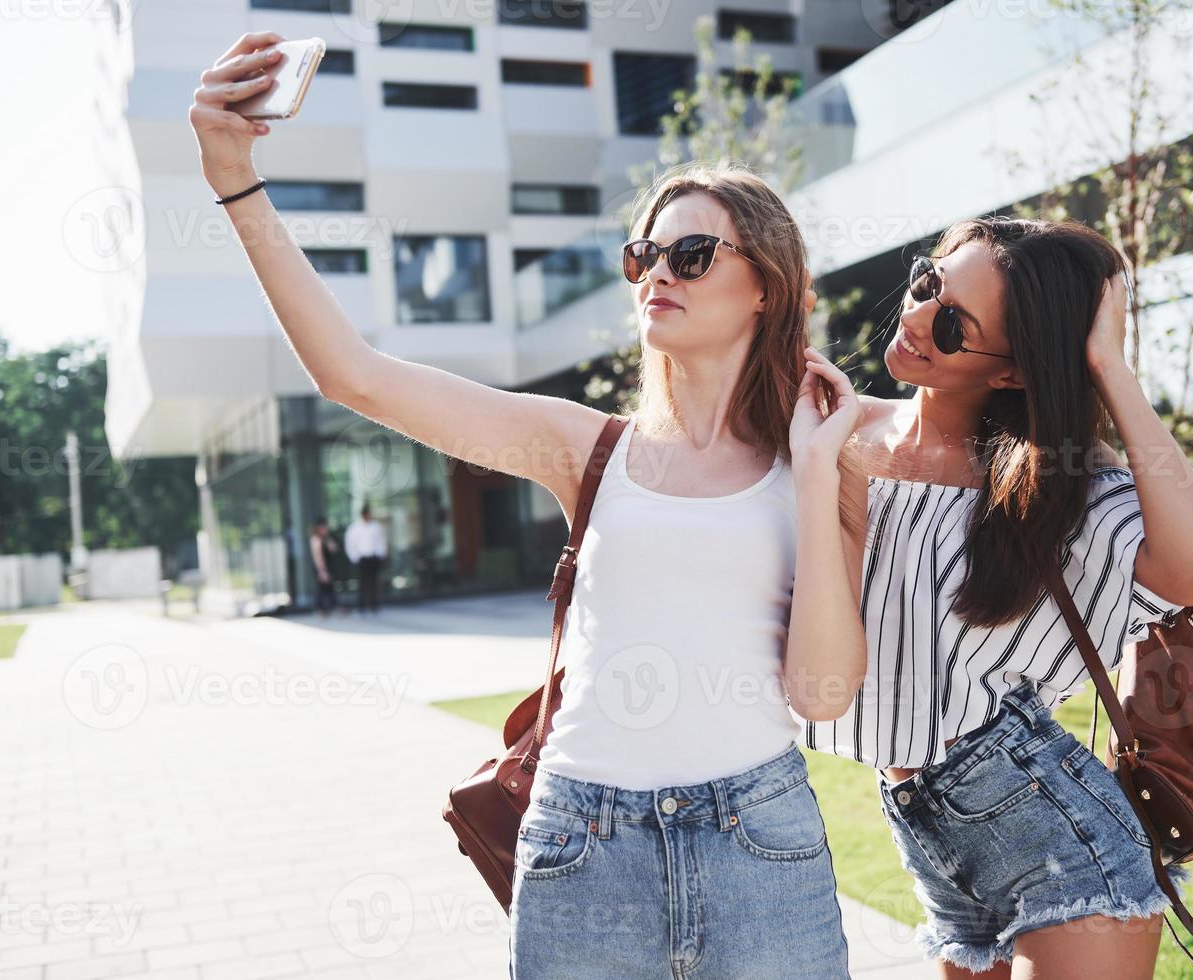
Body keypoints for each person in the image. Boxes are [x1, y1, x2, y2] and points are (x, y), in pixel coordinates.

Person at [191, 33, 868, 979]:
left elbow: (825, 696)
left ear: (764, 284)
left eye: (692, 252)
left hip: (759, 844)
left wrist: (810, 469)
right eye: (646, 253)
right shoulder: (584, 447)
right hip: (581, 845)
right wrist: (235, 181)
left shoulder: (830, 455)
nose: (658, 272)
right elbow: (357, 378)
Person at [801, 217, 1193, 980]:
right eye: (926, 283)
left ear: (1011, 371)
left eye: (949, 324)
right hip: (933, 837)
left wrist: (1106, 364)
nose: (911, 318)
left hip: (1058, 835)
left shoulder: (1056, 486)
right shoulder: (836, 430)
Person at [344, 503, 387, 615]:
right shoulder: (355, 528)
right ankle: (361, 606)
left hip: (373, 557)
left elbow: (381, 542)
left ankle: (374, 605)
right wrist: (354, 557)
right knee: (362, 583)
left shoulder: (376, 527)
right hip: (361, 559)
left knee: (374, 583)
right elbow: (350, 544)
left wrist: (381, 555)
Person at [309, 517, 340, 617]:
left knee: (329, 588)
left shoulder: (326, 538)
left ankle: (332, 607)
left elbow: (334, 549)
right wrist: (322, 571)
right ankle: (320, 609)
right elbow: (317, 556)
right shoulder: (315, 539)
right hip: (321, 568)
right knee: (322, 589)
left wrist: (327, 539)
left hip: (328, 566)